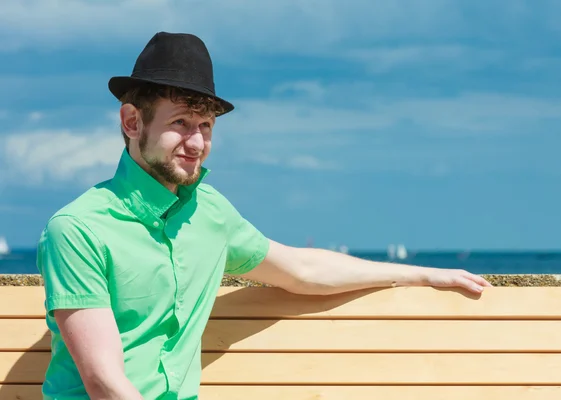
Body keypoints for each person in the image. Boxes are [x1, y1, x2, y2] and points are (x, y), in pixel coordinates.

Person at [36, 31, 492, 400]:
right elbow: (104, 383)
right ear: (132, 122)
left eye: (206, 126)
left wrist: (425, 275)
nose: (196, 143)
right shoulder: (78, 229)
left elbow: (303, 269)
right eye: (180, 123)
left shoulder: (209, 213)